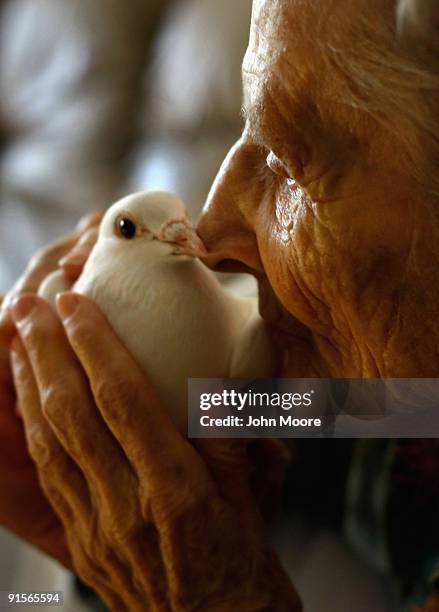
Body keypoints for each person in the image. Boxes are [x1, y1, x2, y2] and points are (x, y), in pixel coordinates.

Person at [1, 0, 439, 609]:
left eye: (287, 163)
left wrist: (226, 601)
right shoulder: (370, 392)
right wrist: (108, 496)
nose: (211, 231)